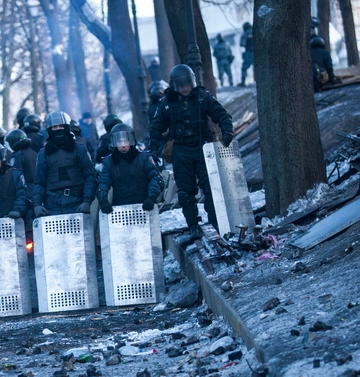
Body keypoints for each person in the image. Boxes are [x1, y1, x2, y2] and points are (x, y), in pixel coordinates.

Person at [148, 64, 233, 238]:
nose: (186, 88)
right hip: (181, 151)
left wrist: (227, 131)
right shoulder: (166, 103)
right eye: (182, 85)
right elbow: (156, 127)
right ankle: (193, 226)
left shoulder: (203, 97)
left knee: (210, 189)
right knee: (185, 193)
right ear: (174, 85)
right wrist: (153, 148)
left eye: (188, 84)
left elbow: (221, 114)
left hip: (203, 149)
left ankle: (215, 223)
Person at [32, 111, 97, 217]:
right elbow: (39, 183)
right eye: (55, 127)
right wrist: (36, 205)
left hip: (77, 203)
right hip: (52, 205)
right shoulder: (43, 153)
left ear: (66, 127)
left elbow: (90, 177)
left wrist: (87, 201)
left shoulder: (79, 149)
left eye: (61, 126)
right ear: (50, 129)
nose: (58, 129)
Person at [97, 124, 162, 215]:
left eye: (125, 141)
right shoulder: (109, 162)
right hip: (120, 207)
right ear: (114, 143)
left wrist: (151, 196)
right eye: (120, 142)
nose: (123, 145)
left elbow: (155, 177)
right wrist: (103, 200)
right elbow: (103, 182)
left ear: (131, 141)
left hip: (144, 204)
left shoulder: (144, 158)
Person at [239, 22, 254, 86]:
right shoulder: (255, 31)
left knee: (244, 68)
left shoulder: (245, 33)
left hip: (248, 52)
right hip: (257, 52)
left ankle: (243, 82)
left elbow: (242, 44)